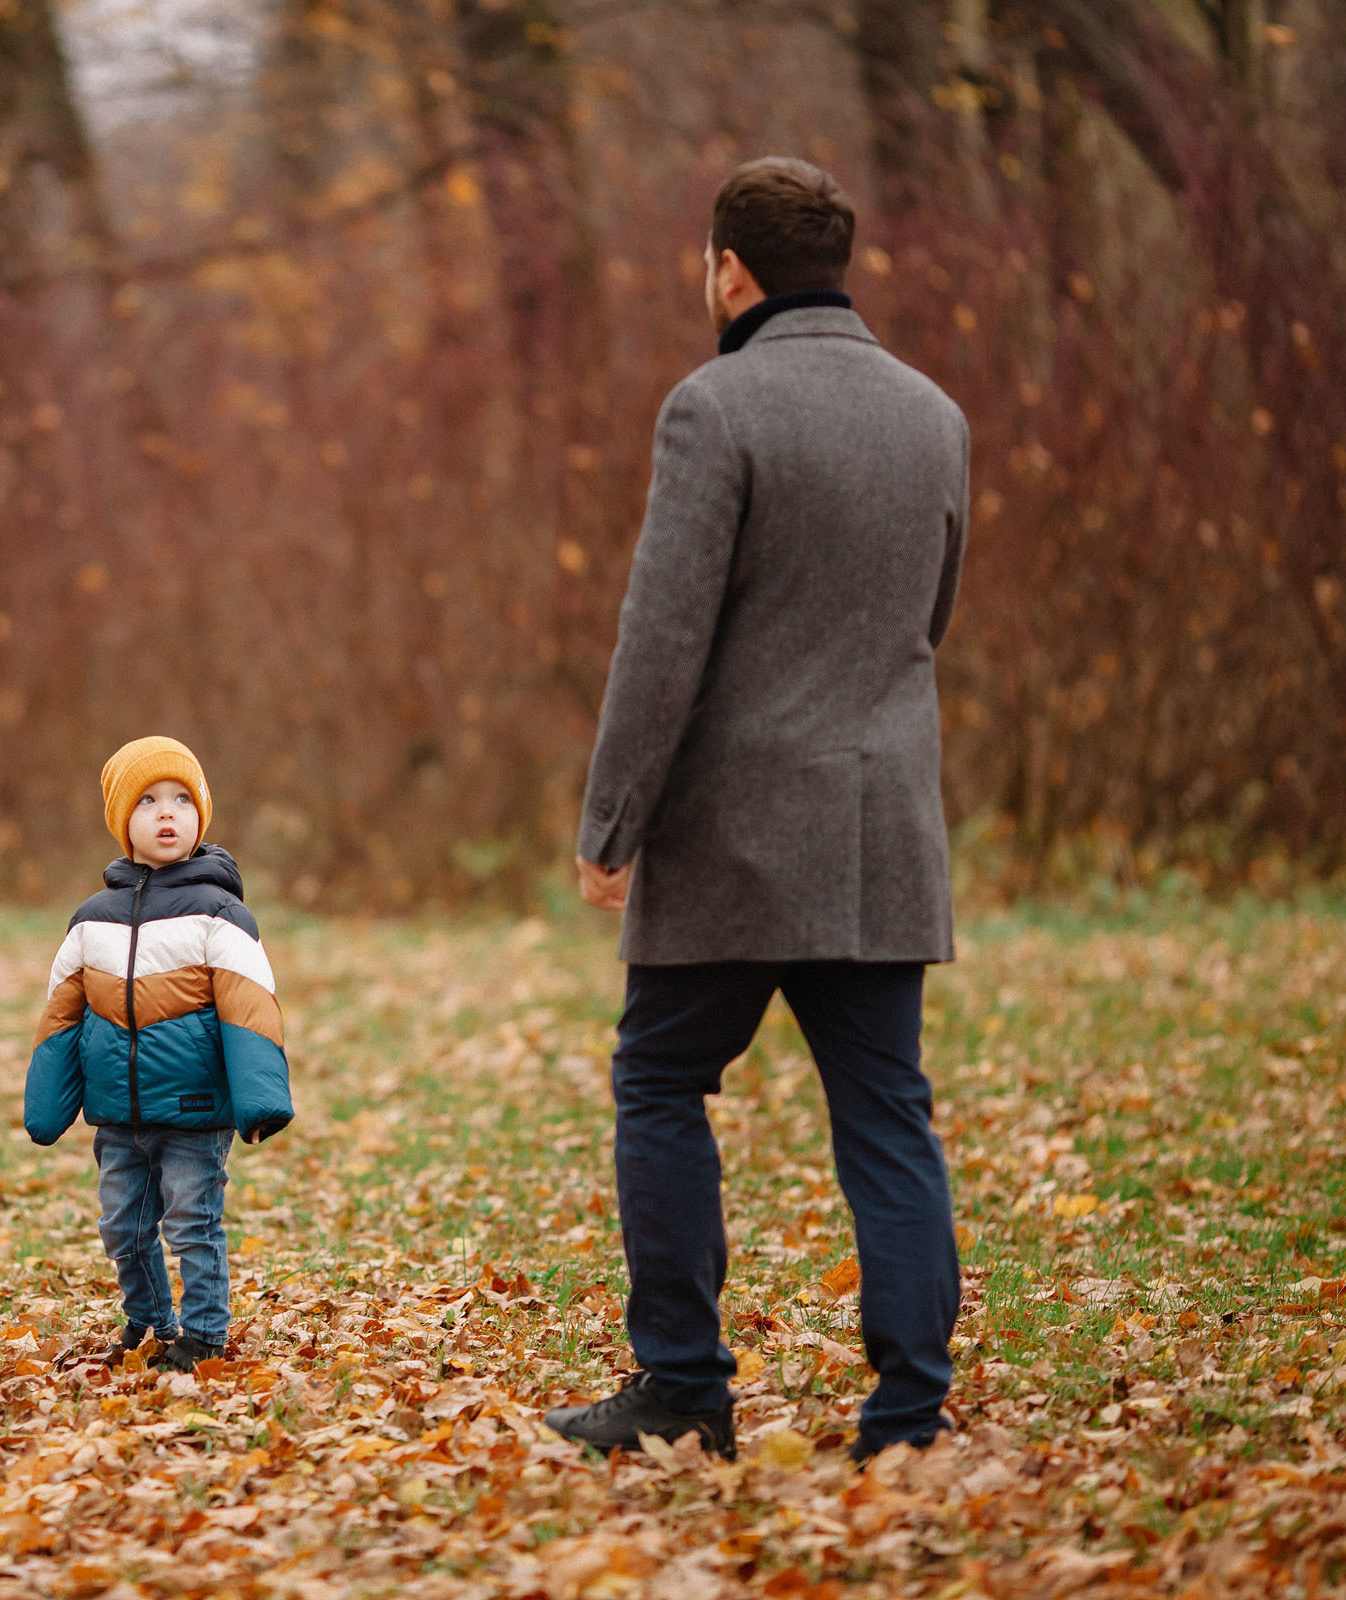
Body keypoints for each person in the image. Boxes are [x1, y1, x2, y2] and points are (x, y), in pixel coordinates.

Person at [546, 158, 970, 1464]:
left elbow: (661, 639)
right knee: (888, 1113)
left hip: (732, 838)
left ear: (730, 270)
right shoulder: (933, 415)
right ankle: (907, 1418)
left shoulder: (713, 407)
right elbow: (928, 620)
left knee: (661, 1081)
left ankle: (682, 1390)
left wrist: (613, 821)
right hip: (880, 826)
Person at [23, 736, 294, 1373]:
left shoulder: (219, 913)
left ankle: (203, 1334)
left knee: (193, 1224)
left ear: (201, 812)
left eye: (180, 799)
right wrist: (46, 1101)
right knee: (123, 1226)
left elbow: (249, 1005)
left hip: (195, 1112)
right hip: (119, 1113)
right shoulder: (92, 920)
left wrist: (260, 1098)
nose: (166, 813)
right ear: (124, 824)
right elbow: (62, 1011)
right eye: (147, 802)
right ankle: (149, 1319)